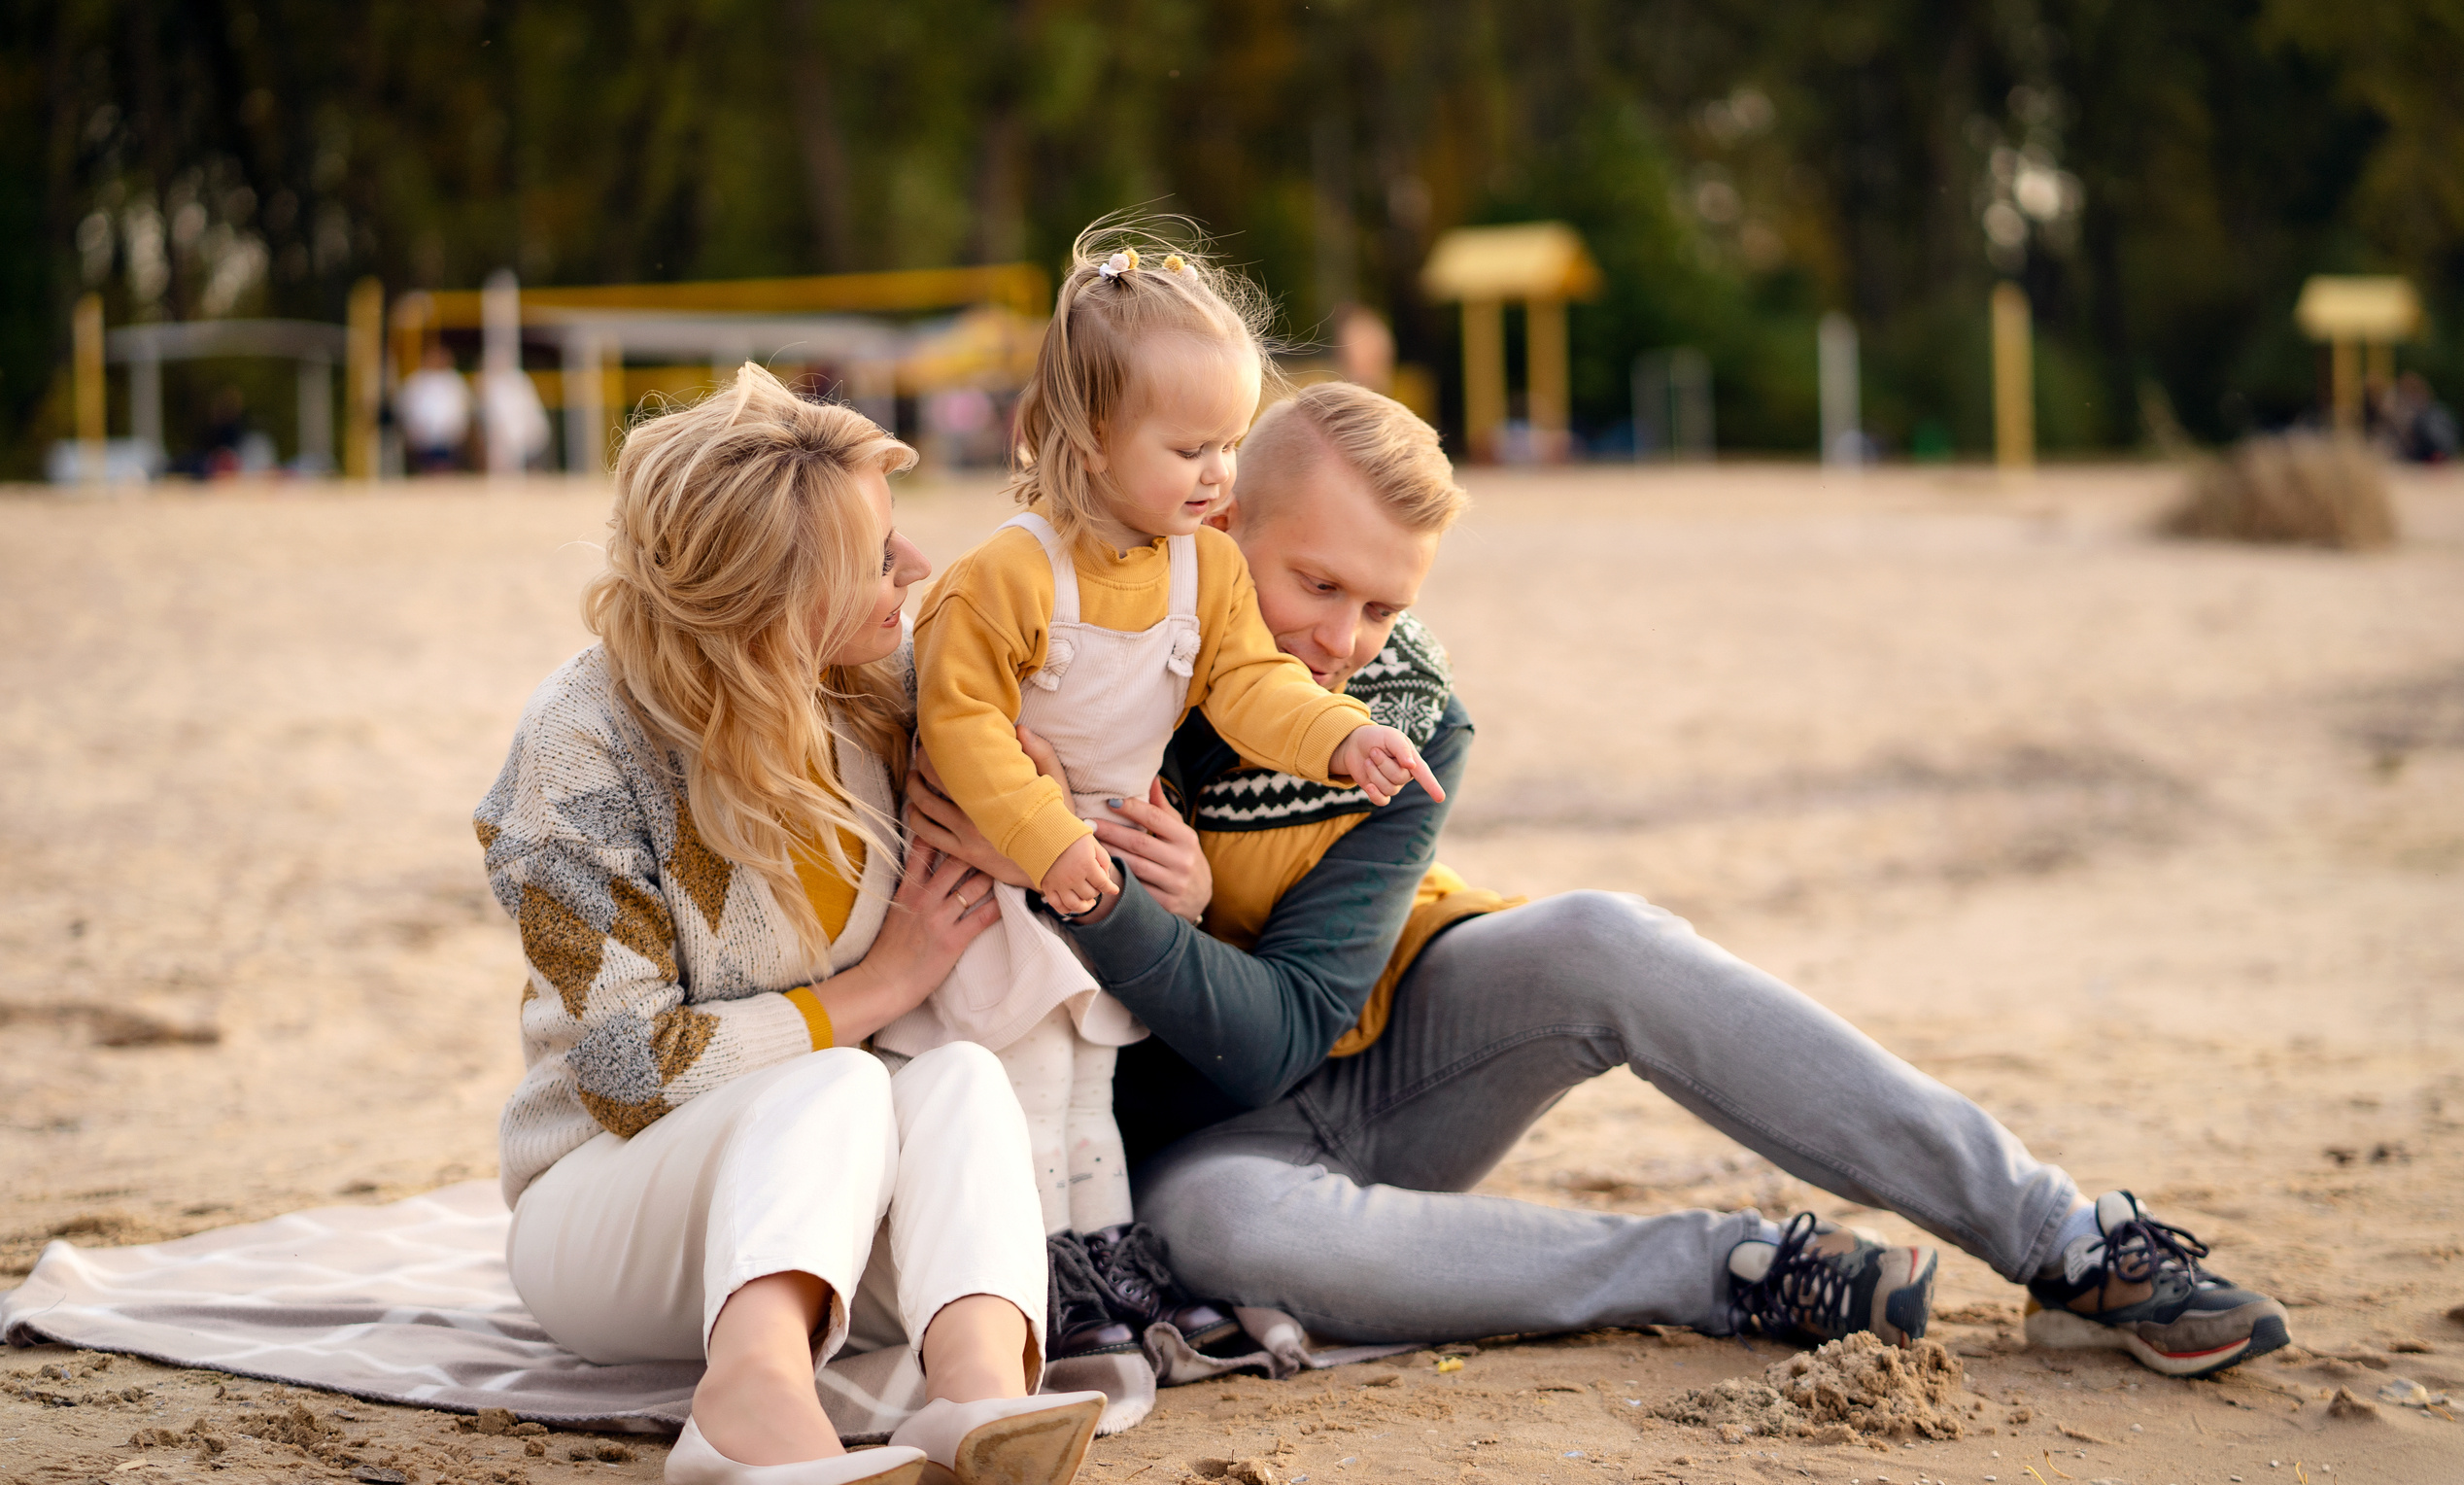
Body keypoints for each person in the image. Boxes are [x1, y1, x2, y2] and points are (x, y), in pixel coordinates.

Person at [910, 380, 2294, 1381]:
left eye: (1382, 603)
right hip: (1182, 1148)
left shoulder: (1403, 719)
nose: (1343, 641)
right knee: (1215, 1221)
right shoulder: (1066, 664)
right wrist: (1113, 890)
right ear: (1215, 528)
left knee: (1601, 935)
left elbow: (1292, 1025)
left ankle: (2066, 1234)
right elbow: (1181, 1062)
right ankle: (1734, 1270)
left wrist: (1173, 909)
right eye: (1314, 584)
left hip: (1375, 1056)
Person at [478, 364, 1103, 1485]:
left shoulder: (872, 686)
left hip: (816, 1210)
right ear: (779, 601)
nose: (914, 571)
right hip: (604, 1212)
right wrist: (875, 987)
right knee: (838, 1079)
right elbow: (619, 1069)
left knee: (958, 1080)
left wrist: (1043, 803)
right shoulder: (582, 749)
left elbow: (1050, 746)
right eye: (876, 558)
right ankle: (748, 1396)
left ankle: (974, 1391)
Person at [885, 220, 1440, 1291]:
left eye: (1230, 446)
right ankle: (1031, 1274)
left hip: (1102, 868)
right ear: (1088, 435)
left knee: (1092, 1079)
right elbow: (963, 730)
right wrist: (1047, 846)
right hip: (1005, 869)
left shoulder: (1207, 570)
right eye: (1190, 451)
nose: (1217, 477)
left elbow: (1250, 687)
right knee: (1030, 1079)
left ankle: (1108, 1265)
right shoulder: (1009, 575)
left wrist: (1342, 735)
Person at [396, 343, 472, 472]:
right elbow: (404, 407)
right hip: (422, 437)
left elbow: (464, 407)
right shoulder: (416, 380)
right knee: (427, 469)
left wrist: (458, 429)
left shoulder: (454, 380)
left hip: (449, 436)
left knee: (445, 468)